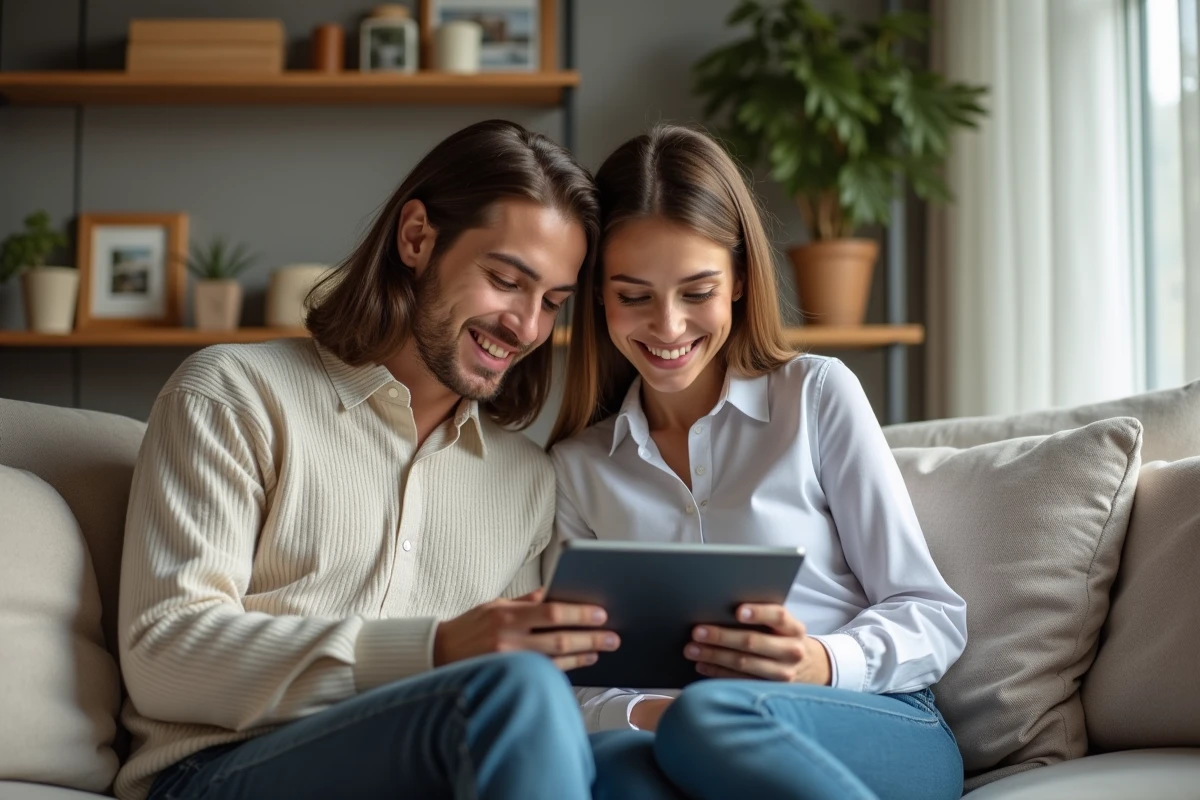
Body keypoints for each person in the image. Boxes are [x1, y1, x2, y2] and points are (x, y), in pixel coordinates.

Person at [115, 120, 621, 800]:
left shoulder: (528, 479)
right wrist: (434, 650)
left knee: (635, 761)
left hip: (424, 775)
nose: (527, 328)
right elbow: (163, 655)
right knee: (515, 689)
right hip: (218, 772)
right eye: (505, 279)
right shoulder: (235, 394)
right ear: (416, 238)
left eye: (553, 303)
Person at [547, 125, 968, 800]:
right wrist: (644, 712)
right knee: (619, 774)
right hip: (683, 741)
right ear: (598, 294)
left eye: (697, 290)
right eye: (634, 295)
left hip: (874, 723)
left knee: (709, 717)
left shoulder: (815, 395)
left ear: (740, 278)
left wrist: (818, 662)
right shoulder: (578, 468)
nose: (669, 326)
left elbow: (931, 612)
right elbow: (580, 685)